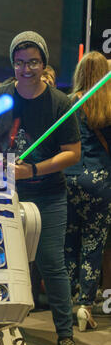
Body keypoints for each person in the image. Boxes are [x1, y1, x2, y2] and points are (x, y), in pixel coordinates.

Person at [0, 31, 83, 345]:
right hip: (4, 194)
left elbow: (72, 153)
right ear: (13, 65)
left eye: (33, 62)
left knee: (51, 262)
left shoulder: (60, 103)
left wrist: (32, 171)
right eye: (20, 62)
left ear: (43, 63)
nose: (26, 69)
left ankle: (65, 336)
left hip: (48, 194)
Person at [64, 51, 111, 330]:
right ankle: (85, 304)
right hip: (100, 180)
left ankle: (68, 297)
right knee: (94, 242)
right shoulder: (108, 105)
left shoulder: (69, 103)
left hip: (69, 178)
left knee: (69, 240)